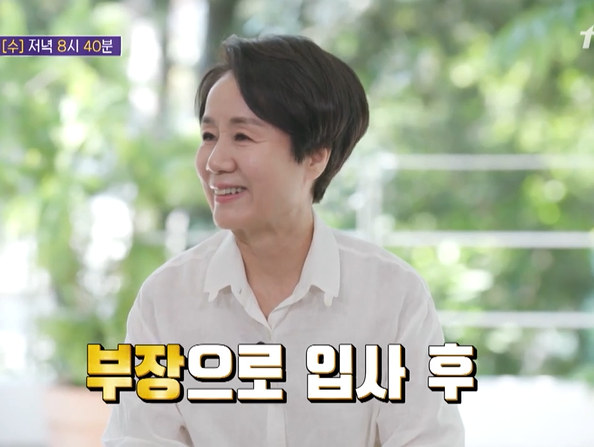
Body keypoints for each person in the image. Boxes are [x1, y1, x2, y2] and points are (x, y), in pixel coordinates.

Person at [102, 34, 464, 447]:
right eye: (208, 136)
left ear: (315, 155)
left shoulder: (393, 295)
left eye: (242, 137)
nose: (215, 161)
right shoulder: (166, 298)